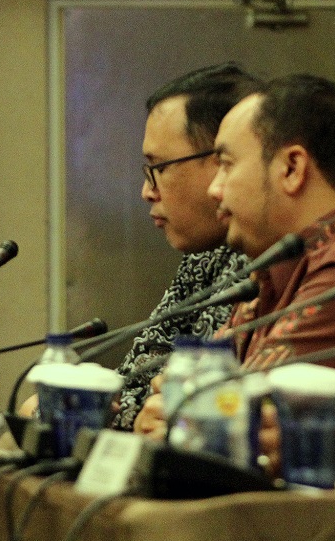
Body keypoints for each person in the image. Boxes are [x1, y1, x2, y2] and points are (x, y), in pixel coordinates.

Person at [135, 74, 335, 437]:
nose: (215, 189)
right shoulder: (277, 260)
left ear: (291, 169)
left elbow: (242, 416)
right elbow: (198, 391)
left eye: (227, 165)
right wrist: (167, 408)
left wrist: (180, 410)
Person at [110, 63, 259, 429]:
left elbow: (205, 416)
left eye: (159, 168)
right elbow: (135, 379)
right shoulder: (206, 254)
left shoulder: (269, 255)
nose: (147, 191)